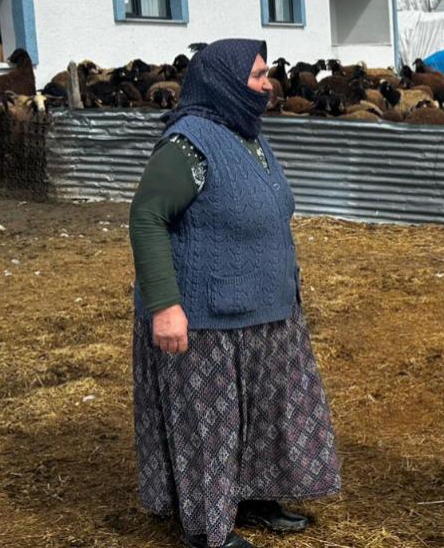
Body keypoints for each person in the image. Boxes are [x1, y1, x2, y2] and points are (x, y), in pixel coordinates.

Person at [128, 39, 341, 548]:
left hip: (266, 312)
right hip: (206, 317)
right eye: (256, 76)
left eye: (266, 74)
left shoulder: (248, 134)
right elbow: (146, 217)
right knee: (211, 424)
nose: (267, 85)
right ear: (223, 82)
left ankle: (252, 497)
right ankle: (207, 529)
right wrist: (165, 305)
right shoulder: (189, 143)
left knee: (263, 412)